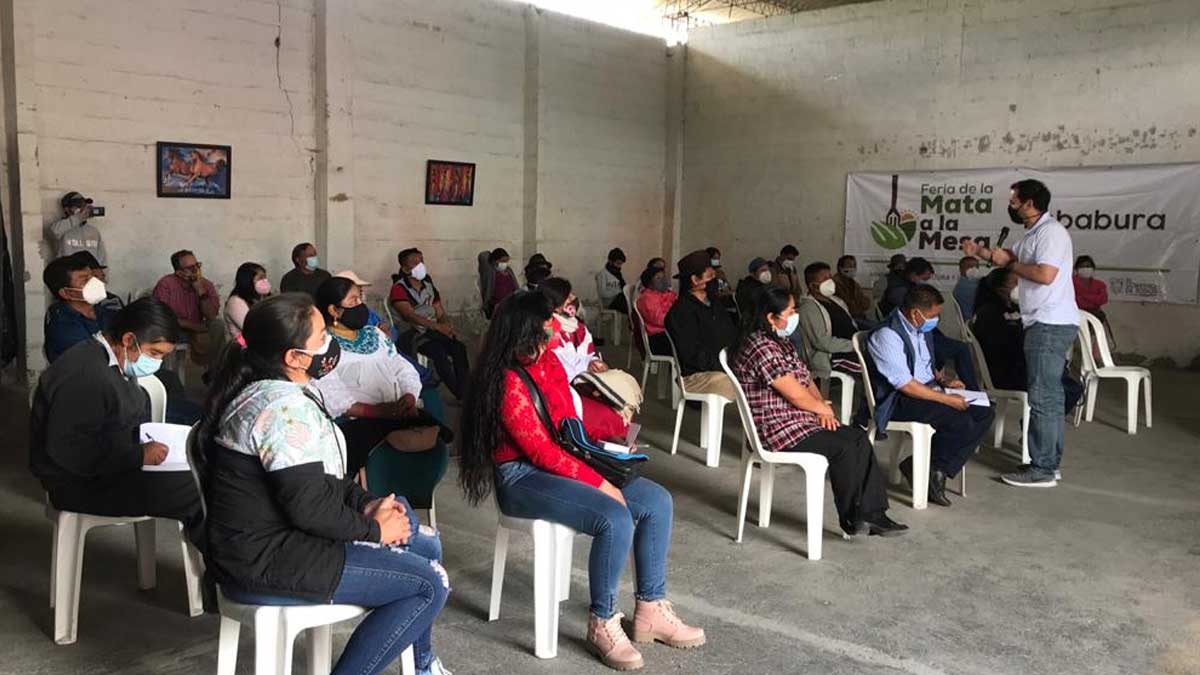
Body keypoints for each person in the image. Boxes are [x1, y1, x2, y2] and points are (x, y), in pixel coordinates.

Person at [194, 294, 451, 675]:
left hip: (283, 537)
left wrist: (369, 503)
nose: (330, 342)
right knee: (428, 584)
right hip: (269, 556)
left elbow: (325, 480)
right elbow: (309, 507)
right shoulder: (282, 409)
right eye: (320, 338)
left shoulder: (286, 390)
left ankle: (422, 664)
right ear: (294, 358)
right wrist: (375, 529)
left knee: (422, 537)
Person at [458, 291, 705, 671]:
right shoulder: (506, 381)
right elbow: (541, 452)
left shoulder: (551, 363)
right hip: (522, 477)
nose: (554, 332)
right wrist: (601, 483)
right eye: (546, 328)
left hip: (566, 461)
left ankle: (650, 609)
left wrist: (610, 445)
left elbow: (568, 426)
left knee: (657, 502)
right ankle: (602, 621)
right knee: (614, 517)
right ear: (523, 334)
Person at [30, 298, 204, 547]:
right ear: (128, 339)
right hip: (77, 483)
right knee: (195, 488)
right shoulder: (86, 375)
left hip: (102, 467)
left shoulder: (103, 358)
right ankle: (224, 571)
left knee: (200, 473)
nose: (158, 362)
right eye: (155, 353)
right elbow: (70, 451)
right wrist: (138, 455)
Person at [733, 286, 906, 536]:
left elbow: (806, 379)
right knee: (843, 448)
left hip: (798, 419)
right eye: (790, 311)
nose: (795, 316)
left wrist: (822, 407)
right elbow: (793, 392)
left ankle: (874, 514)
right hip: (777, 429)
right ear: (771, 317)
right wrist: (817, 409)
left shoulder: (780, 342)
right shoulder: (760, 347)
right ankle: (852, 518)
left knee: (858, 437)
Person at [965, 179, 1078, 488]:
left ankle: (1040, 468)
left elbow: (1044, 274)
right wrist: (981, 252)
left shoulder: (1051, 233)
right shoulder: (1033, 234)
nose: (1011, 205)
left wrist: (1012, 263)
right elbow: (1005, 259)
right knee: (1050, 398)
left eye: (1014, 200)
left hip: (1049, 322)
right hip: (1042, 321)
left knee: (1041, 397)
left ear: (1030, 203)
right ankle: (1049, 465)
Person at [312, 277, 447, 491]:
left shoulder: (375, 335)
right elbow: (331, 395)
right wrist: (379, 411)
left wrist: (409, 396)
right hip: (356, 420)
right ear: (334, 310)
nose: (361, 305)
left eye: (360, 298)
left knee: (434, 438)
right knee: (380, 455)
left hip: (398, 411)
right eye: (353, 300)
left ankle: (410, 498)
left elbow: (402, 367)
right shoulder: (323, 345)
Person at [866, 285, 995, 507]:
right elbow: (905, 384)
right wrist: (946, 398)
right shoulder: (887, 335)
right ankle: (931, 471)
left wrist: (945, 383)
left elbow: (924, 369)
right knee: (959, 418)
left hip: (926, 390)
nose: (936, 320)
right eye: (933, 315)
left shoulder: (920, 330)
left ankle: (931, 467)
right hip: (899, 400)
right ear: (916, 313)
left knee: (984, 412)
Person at [972, 269, 1083, 416]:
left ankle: (1035, 424)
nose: (1022, 287)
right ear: (1000, 288)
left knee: (1070, 385)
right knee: (1064, 387)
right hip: (1006, 373)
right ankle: (1036, 426)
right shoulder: (988, 313)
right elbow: (1003, 348)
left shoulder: (1014, 309)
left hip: (1021, 367)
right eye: (1016, 283)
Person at [880, 256, 980, 390]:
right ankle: (973, 390)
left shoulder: (910, 290)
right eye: (923, 279)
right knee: (959, 349)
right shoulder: (900, 294)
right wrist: (946, 398)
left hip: (928, 380)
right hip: (913, 394)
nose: (923, 283)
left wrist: (942, 383)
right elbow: (906, 385)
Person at [390, 248, 470, 401]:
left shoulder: (429, 287)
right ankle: (460, 395)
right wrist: (438, 327)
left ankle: (464, 390)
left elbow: (440, 312)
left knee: (459, 348)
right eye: (414, 262)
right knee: (439, 353)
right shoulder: (398, 289)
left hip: (432, 331)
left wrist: (446, 326)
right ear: (405, 268)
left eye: (421, 261)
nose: (420, 265)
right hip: (412, 334)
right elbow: (410, 315)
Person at [664, 251, 739, 401]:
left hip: (722, 367)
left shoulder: (715, 304)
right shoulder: (681, 312)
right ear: (695, 280)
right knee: (747, 382)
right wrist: (726, 366)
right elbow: (692, 354)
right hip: (697, 376)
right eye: (710, 277)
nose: (715, 281)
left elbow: (731, 334)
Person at [42, 254, 115, 363]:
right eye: (85, 281)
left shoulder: (101, 310)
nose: (95, 282)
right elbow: (95, 359)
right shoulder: (62, 324)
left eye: (92, 277)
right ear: (66, 293)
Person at [796, 262, 862, 379]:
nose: (831, 281)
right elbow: (822, 342)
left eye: (830, 277)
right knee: (871, 364)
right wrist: (855, 346)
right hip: (830, 356)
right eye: (825, 278)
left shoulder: (836, 301)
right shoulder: (808, 308)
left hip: (851, 348)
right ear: (813, 286)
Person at [153, 249, 219, 363]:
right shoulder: (166, 284)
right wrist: (192, 326)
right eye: (190, 268)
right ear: (179, 272)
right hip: (175, 328)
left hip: (198, 327)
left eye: (197, 265)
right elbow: (162, 316)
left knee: (218, 326)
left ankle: (215, 371)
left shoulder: (206, 284)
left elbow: (211, 316)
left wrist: (200, 291)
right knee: (163, 331)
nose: (196, 270)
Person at [45, 191, 106, 264]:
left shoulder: (93, 231)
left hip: (90, 274)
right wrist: (78, 218)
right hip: (67, 274)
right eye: (79, 205)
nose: (83, 208)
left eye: (84, 205)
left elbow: (102, 259)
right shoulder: (60, 228)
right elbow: (53, 232)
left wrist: (101, 274)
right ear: (67, 209)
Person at [635, 266, 676, 356]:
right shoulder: (647, 298)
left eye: (663, 277)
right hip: (657, 338)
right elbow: (660, 320)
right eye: (658, 278)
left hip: (668, 332)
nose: (663, 280)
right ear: (649, 283)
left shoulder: (667, 294)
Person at [224, 262, 270, 340]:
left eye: (265, 277)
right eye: (260, 278)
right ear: (247, 280)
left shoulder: (263, 297)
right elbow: (253, 330)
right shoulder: (235, 302)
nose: (265, 281)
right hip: (243, 347)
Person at [832, 255, 872, 320]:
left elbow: (866, 303)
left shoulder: (854, 284)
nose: (852, 268)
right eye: (849, 266)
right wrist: (857, 304)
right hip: (845, 318)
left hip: (859, 317)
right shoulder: (834, 284)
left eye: (854, 266)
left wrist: (859, 303)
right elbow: (848, 306)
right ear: (840, 268)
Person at [483, 248, 519, 318]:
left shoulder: (509, 271)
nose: (504, 263)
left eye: (506, 261)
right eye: (502, 261)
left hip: (511, 305)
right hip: (497, 306)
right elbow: (488, 290)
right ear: (495, 261)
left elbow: (515, 286)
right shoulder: (491, 273)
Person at [1072, 255, 1109, 321]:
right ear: (1076, 269)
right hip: (1075, 314)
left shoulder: (1100, 284)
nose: (1085, 268)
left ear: (1093, 268)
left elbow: (1103, 299)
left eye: (1088, 266)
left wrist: (1083, 296)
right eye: (1082, 266)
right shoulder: (1070, 283)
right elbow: (1074, 300)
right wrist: (1093, 299)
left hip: (1094, 316)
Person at [596, 248, 629, 314]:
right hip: (610, 302)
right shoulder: (602, 274)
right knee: (628, 305)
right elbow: (602, 293)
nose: (619, 266)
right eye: (618, 263)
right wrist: (618, 292)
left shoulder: (618, 274)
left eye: (621, 264)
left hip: (619, 299)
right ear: (610, 261)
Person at [953, 256, 984, 322]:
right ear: (961, 269)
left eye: (977, 267)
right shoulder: (964, 286)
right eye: (970, 266)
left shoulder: (961, 283)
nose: (974, 269)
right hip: (972, 323)